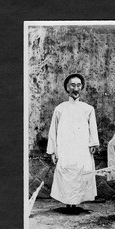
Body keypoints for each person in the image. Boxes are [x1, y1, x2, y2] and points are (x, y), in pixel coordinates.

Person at [46, 73, 99, 214]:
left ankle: (76, 204)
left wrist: (93, 143)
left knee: (81, 173)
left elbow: (93, 129)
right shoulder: (60, 109)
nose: (76, 88)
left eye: (78, 85)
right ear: (67, 88)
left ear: (81, 88)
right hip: (65, 148)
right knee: (66, 172)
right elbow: (53, 131)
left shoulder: (88, 109)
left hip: (81, 149)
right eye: (72, 85)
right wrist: (52, 151)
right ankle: (68, 204)